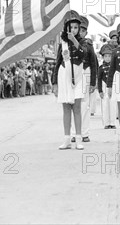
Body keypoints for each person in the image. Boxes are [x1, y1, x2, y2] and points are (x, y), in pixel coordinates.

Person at [52, 10, 86, 150]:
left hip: (77, 76)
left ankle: (78, 138)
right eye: (71, 27)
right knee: (66, 109)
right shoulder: (62, 44)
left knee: (77, 108)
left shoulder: (83, 41)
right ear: (66, 28)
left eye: (76, 27)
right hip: (64, 76)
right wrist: (54, 83)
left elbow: (83, 54)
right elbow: (58, 62)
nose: (73, 29)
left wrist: (74, 40)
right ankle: (67, 139)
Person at [78, 16, 97, 143]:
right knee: (73, 105)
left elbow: (94, 63)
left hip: (85, 73)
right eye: (79, 30)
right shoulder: (67, 44)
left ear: (86, 32)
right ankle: (74, 133)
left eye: (83, 31)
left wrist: (93, 82)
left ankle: (84, 133)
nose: (81, 32)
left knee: (85, 105)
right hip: (72, 74)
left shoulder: (88, 45)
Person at [97, 44, 116, 130]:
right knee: (105, 105)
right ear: (103, 57)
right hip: (104, 86)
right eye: (106, 56)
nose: (108, 58)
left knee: (113, 104)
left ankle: (112, 122)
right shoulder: (101, 68)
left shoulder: (114, 67)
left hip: (113, 86)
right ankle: (106, 123)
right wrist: (100, 91)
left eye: (109, 56)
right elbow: (99, 80)